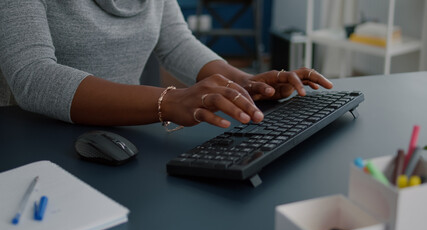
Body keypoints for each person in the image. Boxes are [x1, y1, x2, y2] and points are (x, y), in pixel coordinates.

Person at [0, 0, 333, 131]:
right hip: (39, 141)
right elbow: (33, 76)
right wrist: (170, 102)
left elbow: (176, 43)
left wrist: (244, 84)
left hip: (125, 132)